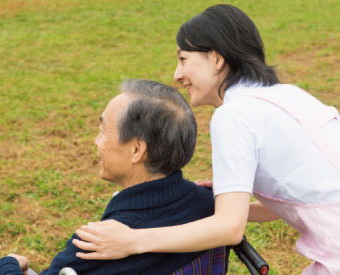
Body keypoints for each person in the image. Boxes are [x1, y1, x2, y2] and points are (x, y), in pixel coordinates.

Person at [72, 4, 340, 274]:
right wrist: (220, 202)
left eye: (183, 59)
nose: (177, 75)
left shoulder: (233, 115)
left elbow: (229, 229)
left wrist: (133, 241)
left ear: (216, 59)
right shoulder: (287, 95)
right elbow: (301, 197)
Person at [0, 79, 229, 275]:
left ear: (136, 150)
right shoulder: (212, 212)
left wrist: (6, 266)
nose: (96, 141)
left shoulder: (96, 246)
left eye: (103, 131)